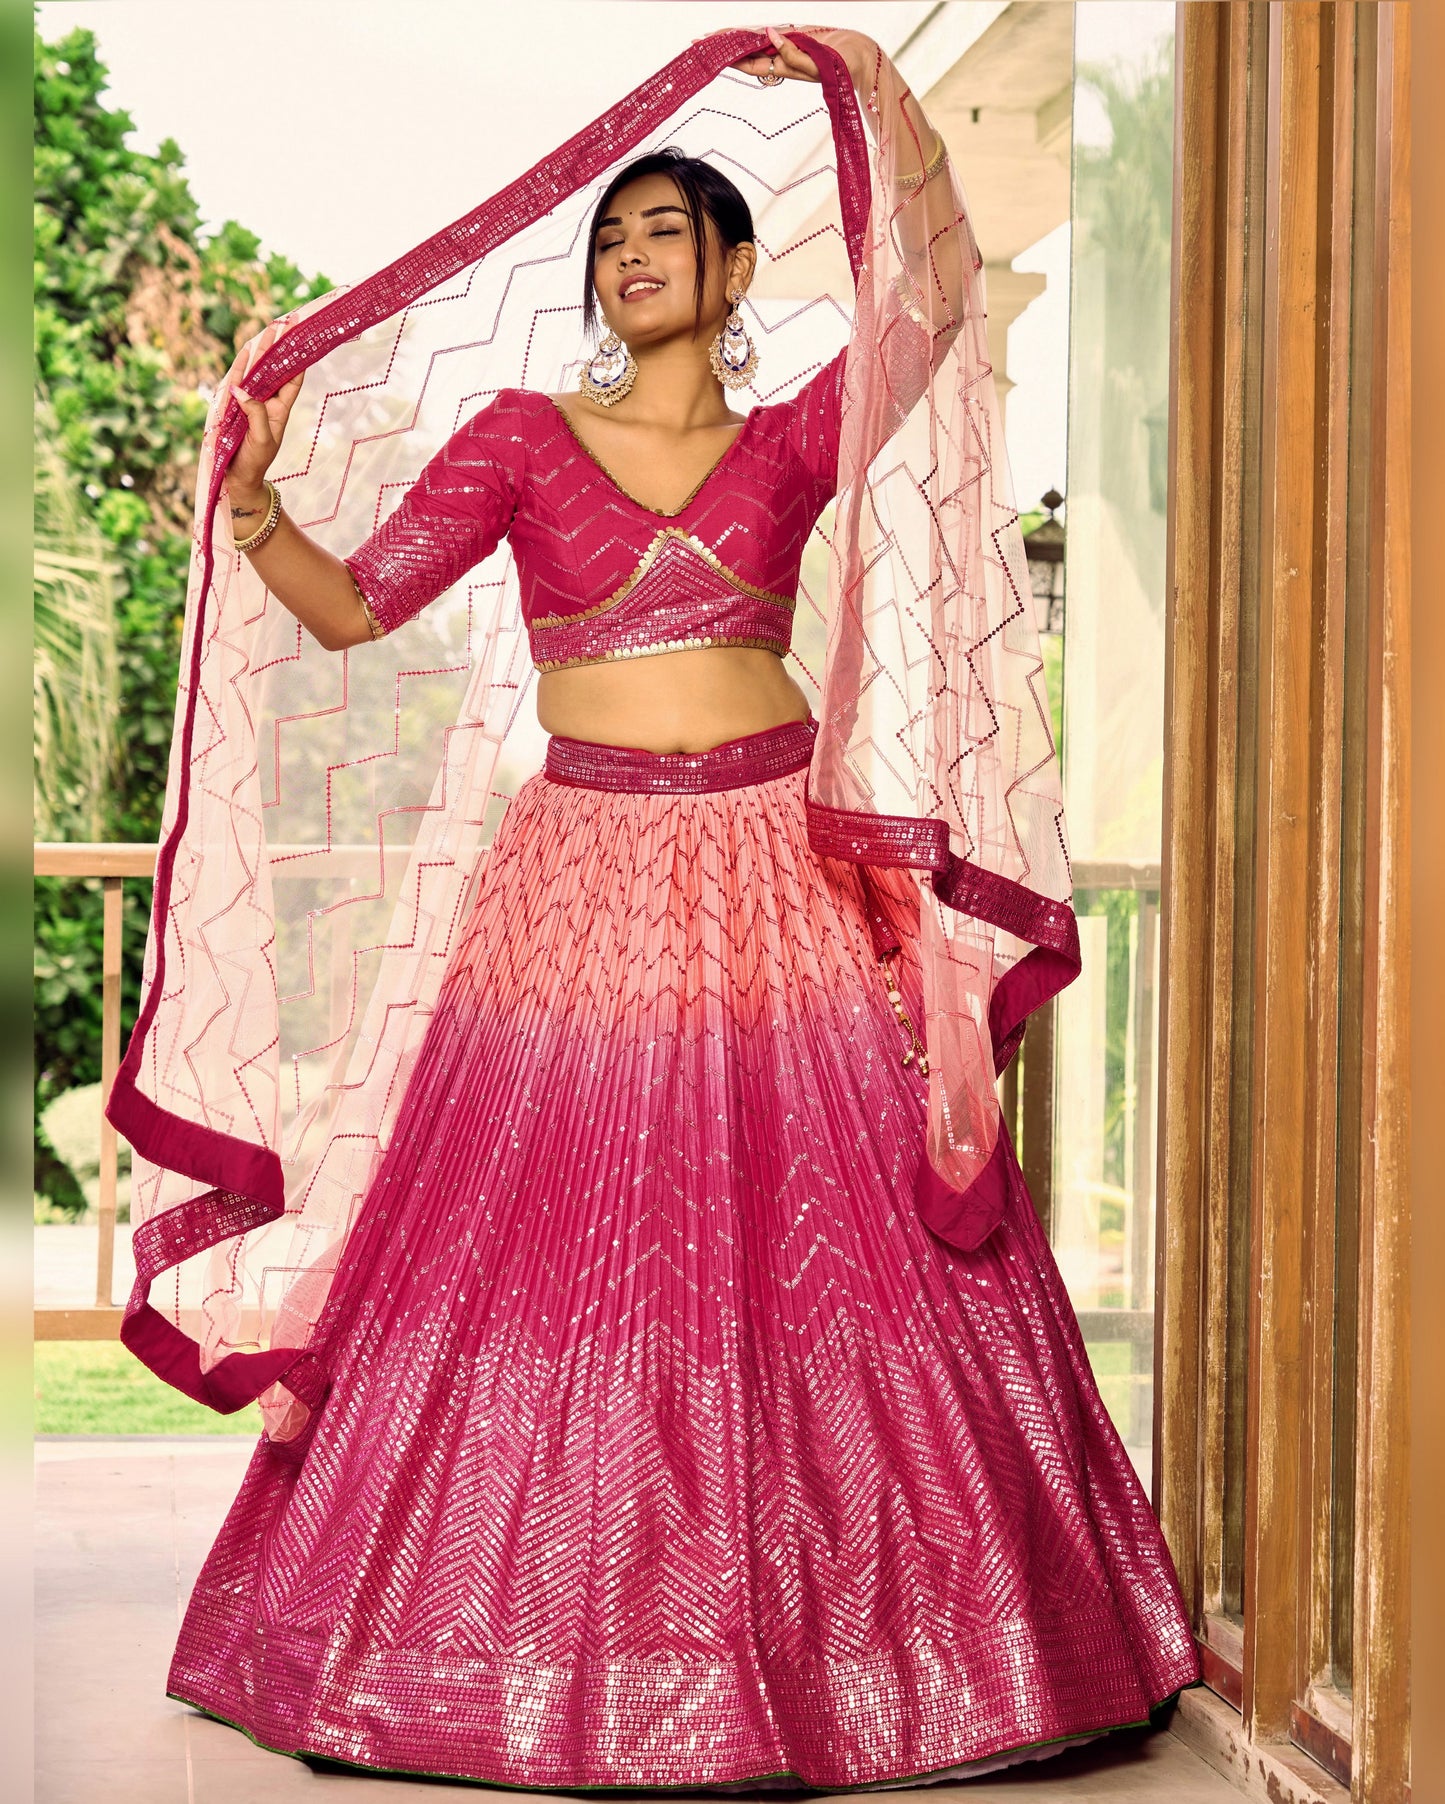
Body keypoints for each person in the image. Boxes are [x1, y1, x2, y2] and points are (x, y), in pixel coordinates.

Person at [110, 24, 1201, 1791]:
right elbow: (359, 606)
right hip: (583, 875)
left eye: (665, 237)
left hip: (777, 865)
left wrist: (854, 78)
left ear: (737, 269)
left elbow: (934, 293)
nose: (630, 262)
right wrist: (253, 514)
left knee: (839, 1242)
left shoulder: (792, 439)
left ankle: (938, 1655)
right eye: (612, 243)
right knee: (530, 1249)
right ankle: (490, 1650)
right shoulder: (523, 437)